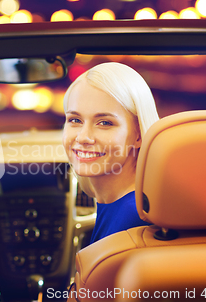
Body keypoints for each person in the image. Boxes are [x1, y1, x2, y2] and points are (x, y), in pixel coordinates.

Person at [62, 62, 159, 244]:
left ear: (138, 135)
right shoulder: (129, 206)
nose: (84, 137)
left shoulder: (135, 221)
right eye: (75, 120)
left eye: (105, 123)